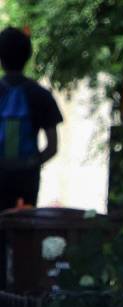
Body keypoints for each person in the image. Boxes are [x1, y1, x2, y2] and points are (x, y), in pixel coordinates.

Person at [0, 26, 64, 211]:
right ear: (27, 56)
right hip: (26, 180)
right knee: (24, 232)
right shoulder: (40, 95)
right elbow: (52, 147)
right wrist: (31, 164)